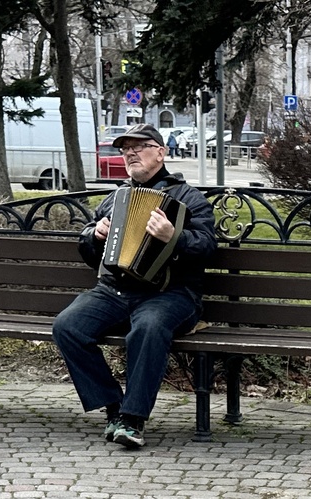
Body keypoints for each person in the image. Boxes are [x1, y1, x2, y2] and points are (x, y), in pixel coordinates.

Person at [51, 123, 217, 449]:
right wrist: (92, 235)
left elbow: (207, 247)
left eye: (139, 146)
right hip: (115, 290)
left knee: (149, 327)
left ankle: (133, 419)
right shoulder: (117, 199)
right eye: (126, 148)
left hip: (170, 293)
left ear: (161, 151)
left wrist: (175, 237)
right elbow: (88, 252)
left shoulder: (189, 198)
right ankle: (114, 407)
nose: (130, 153)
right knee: (67, 326)